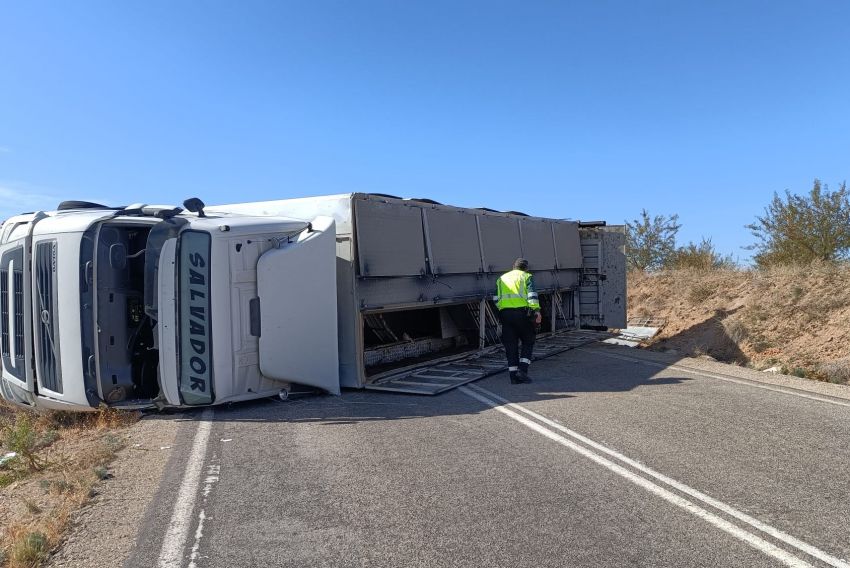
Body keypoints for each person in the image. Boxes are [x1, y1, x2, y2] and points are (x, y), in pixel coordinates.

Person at [494, 258, 541, 384]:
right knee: (528, 340)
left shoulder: (501, 278)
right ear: (525, 268)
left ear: (513, 266)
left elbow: (495, 298)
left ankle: (513, 377)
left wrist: (503, 309)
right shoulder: (526, 276)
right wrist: (536, 311)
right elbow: (532, 296)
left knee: (510, 345)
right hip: (522, 314)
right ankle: (522, 371)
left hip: (505, 314)